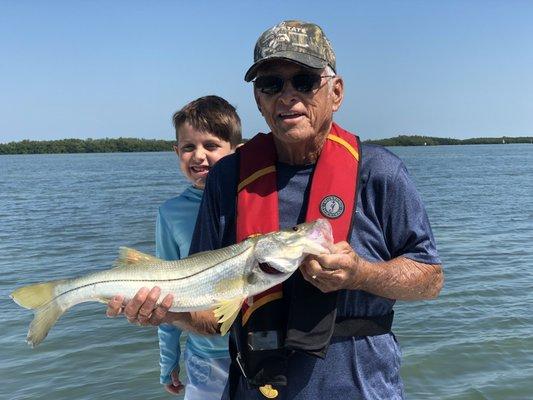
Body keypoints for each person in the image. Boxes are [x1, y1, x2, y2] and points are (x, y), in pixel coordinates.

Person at [107, 20, 444, 400]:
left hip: (362, 386)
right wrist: (165, 312)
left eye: (304, 80)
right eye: (271, 84)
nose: (287, 96)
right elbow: (210, 319)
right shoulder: (227, 178)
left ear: (336, 92)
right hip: (256, 385)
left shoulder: (381, 172)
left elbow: (430, 279)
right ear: (257, 100)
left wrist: (360, 273)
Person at [155, 95, 241, 398]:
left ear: (236, 150)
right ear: (177, 152)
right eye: (189, 147)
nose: (199, 156)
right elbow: (165, 294)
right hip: (204, 357)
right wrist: (168, 362)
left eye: (212, 146)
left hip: (263, 352)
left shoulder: (253, 201)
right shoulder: (170, 213)